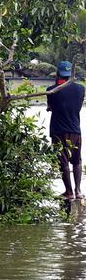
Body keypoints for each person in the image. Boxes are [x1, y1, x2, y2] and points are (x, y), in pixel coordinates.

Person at [48, 60, 85, 199]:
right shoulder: (81, 89)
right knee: (77, 161)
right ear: (71, 75)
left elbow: (50, 106)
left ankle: (69, 192)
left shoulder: (51, 90)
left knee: (62, 161)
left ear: (58, 73)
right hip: (75, 130)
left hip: (58, 131)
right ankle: (79, 191)